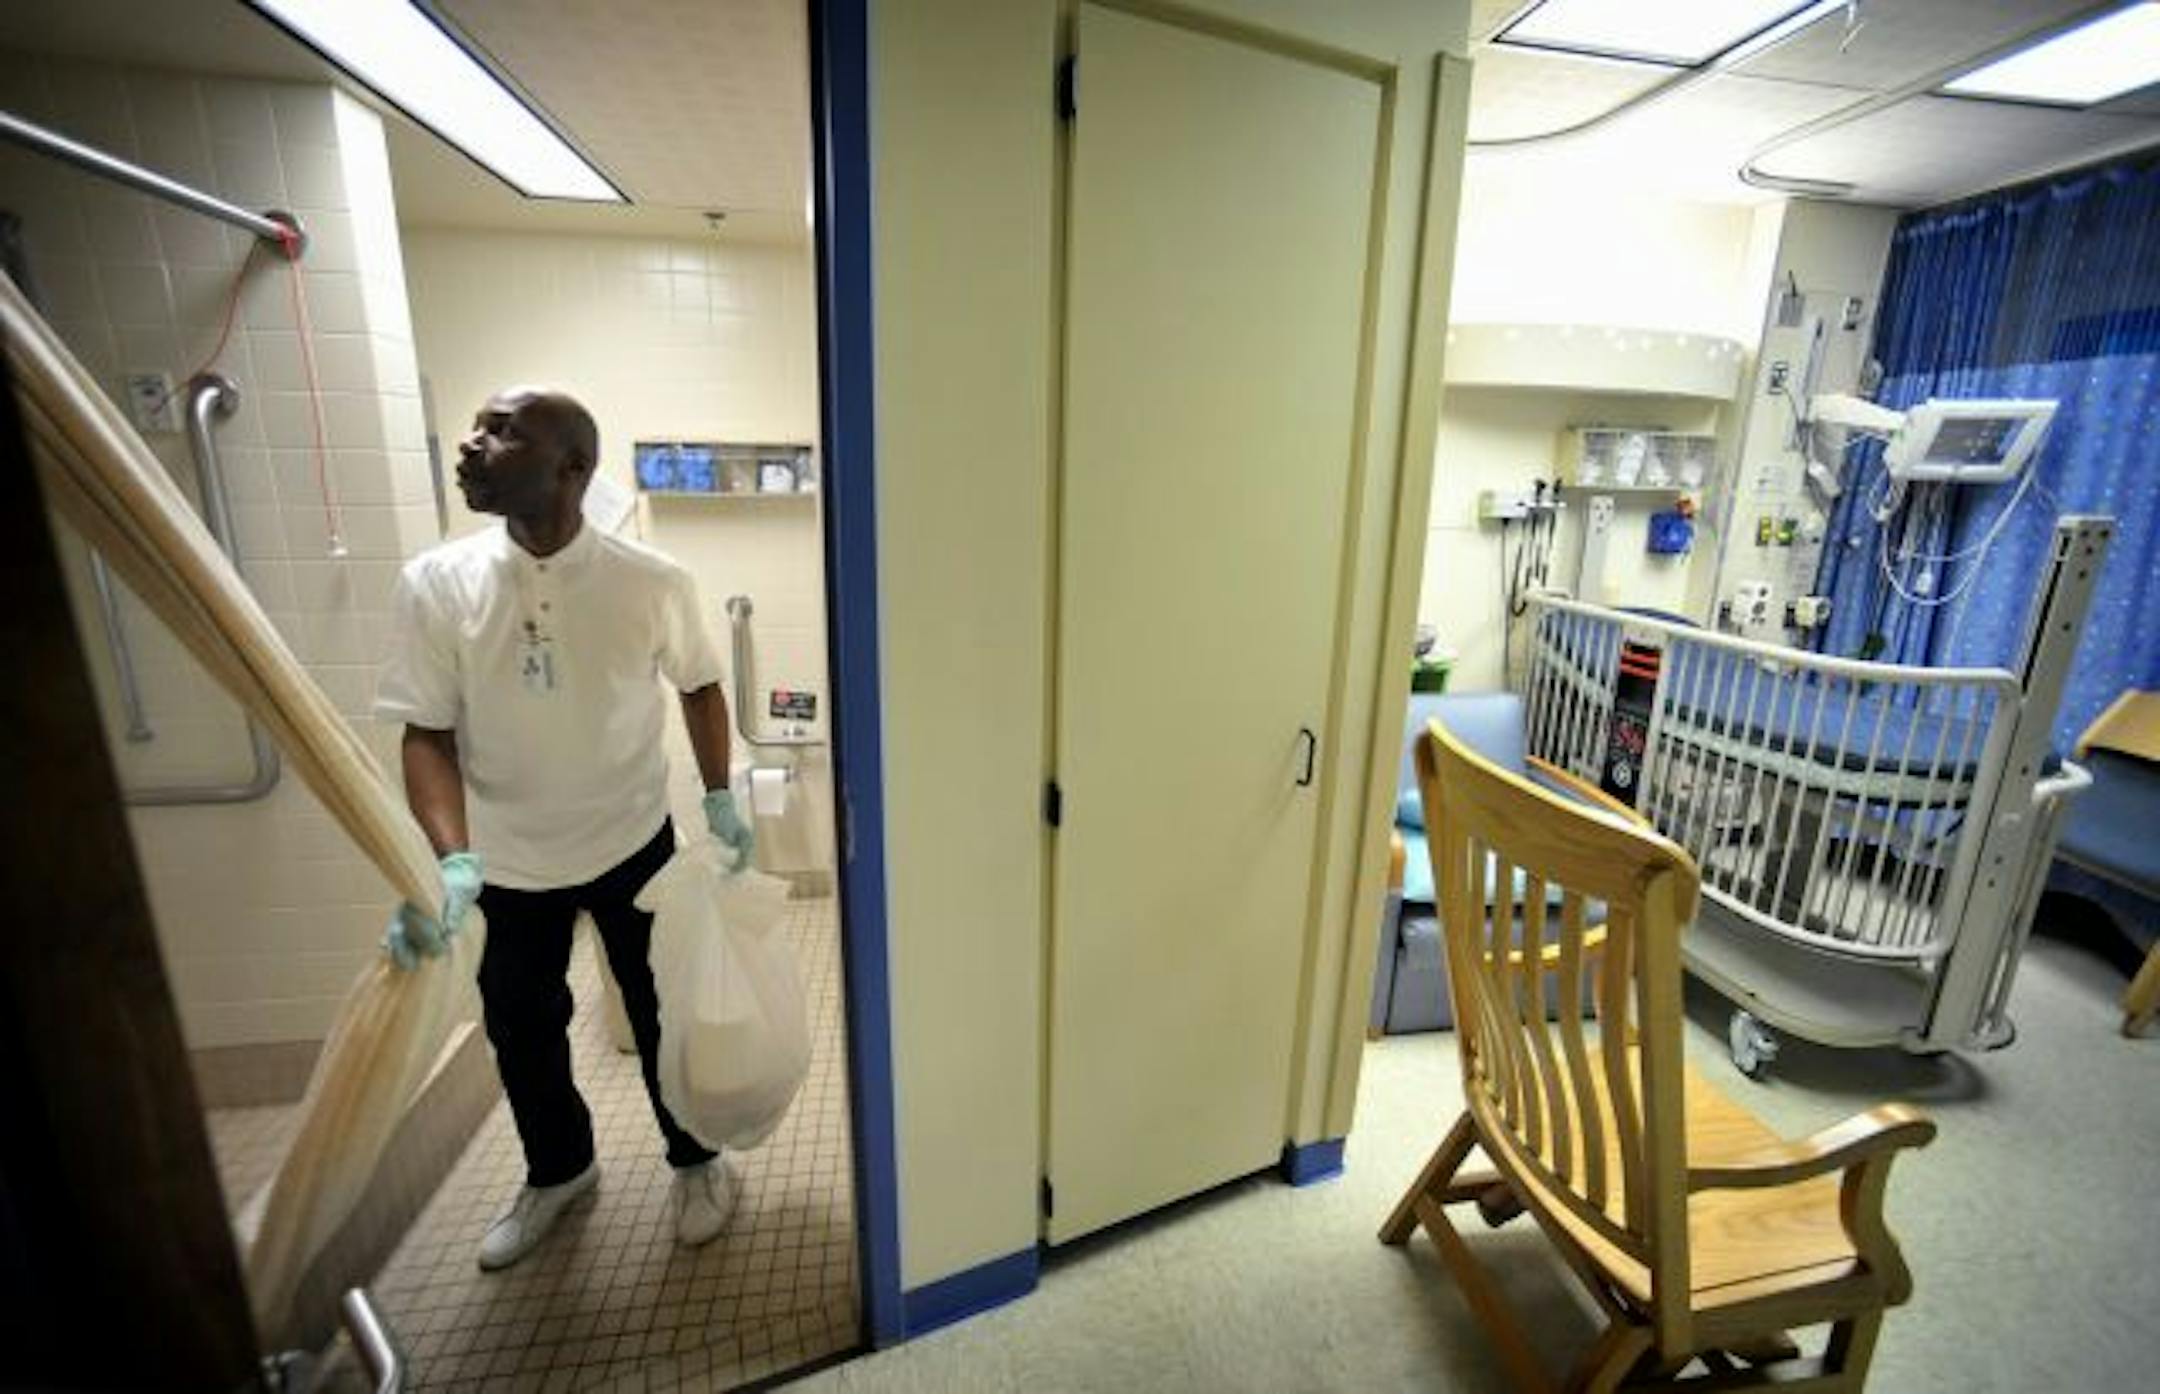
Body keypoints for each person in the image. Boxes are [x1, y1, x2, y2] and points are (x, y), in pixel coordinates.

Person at [374, 386, 758, 1271]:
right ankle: (560, 1172)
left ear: (572, 468)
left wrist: (717, 798)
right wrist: (453, 861)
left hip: (630, 838)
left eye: (502, 432)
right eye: (476, 427)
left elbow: (700, 683)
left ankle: (697, 1161)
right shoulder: (437, 584)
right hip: (506, 863)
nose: (470, 445)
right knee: (521, 1026)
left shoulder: (648, 580)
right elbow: (424, 729)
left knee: (663, 1013)